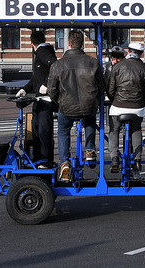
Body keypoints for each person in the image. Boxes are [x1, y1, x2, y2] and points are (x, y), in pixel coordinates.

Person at [46, 30, 105, 182]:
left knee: (63, 130)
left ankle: (65, 161)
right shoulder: (93, 62)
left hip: (67, 107)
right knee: (90, 121)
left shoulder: (58, 65)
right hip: (88, 106)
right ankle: (90, 150)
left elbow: (51, 90)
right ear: (82, 44)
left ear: (68, 44)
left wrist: (60, 102)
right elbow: (101, 86)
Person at [106, 42, 145, 179]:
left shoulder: (118, 66)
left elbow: (111, 89)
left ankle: (114, 158)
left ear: (128, 51)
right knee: (136, 130)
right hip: (137, 106)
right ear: (141, 54)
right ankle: (137, 160)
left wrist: (114, 99)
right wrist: (140, 101)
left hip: (118, 104)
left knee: (114, 130)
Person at [15, 31, 58, 169]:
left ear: (31, 43)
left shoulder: (42, 52)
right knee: (37, 129)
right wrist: (25, 89)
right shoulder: (41, 52)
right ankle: (39, 158)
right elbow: (36, 77)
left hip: (45, 100)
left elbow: (54, 66)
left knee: (43, 130)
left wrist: (46, 84)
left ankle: (45, 160)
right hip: (40, 99)